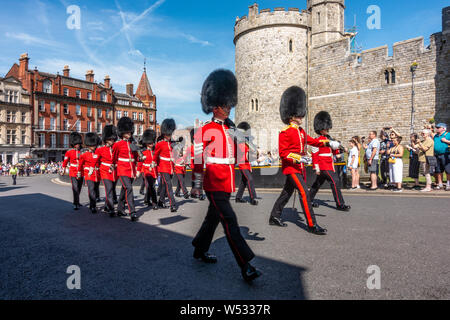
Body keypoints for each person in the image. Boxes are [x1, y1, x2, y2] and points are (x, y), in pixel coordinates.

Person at [191, 69, 261, 282]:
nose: (229, 108)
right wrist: (197, 184)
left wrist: (250, 149)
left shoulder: (230, 129)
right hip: (213, 181)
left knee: (213, 218)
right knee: (230, 220)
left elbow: (238, 152)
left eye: (230, 104)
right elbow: (197, 159)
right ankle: (245, 264)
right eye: (225, 105)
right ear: (215, 107)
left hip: (227, 180)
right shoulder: (205, 130)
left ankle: (199, 248)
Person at [269, 86, 333, 234]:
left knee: (286, 193)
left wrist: (329, 142)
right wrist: (300, 158)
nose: (301, 117)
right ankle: (312, 225)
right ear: (291, 115)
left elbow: (314, 142)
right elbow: (284, 153)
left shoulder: (301, 132)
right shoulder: (285, 132)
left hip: (299, 168)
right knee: (304, 192)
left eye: (301, 114)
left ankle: (274, 216)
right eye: (299, 115)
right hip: (291, 168)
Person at [309, 111, 350, 212]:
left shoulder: (329, 139)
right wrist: (316, 168)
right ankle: (340, 204)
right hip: (323, 165)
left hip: (329, 164)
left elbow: (334, 150)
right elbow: (314, 155)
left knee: (317, 184)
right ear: (320, 129)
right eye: (325, 128)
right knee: (335, 181)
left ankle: (308, 200)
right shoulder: (317, 140)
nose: (327, 129)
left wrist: (341, 150)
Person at [113, 117, 140, 222]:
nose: (129, 132)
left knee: (124, 189)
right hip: (122, 170)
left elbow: (137, 158)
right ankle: (132, 212)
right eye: (127, 131)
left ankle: (120, 209)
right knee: (129, 188)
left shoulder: (132, 144)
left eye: (130, 130)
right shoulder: (117, 144)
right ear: (122, 132)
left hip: (131, 170)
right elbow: (114, 158)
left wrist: (138, 169)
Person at [154, 119, 178, 213]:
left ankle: (161, 201)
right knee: (169, 185)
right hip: (163, 167)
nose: (169, 136)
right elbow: (156, 155)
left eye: (170, 134)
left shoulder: (173, 143)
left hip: (171, 166)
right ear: (164, 133)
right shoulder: (160, 144)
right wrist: (154, 164)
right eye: (168, 134)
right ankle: (173, 204)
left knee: (164, 185)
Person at [95, 125, 119, 217]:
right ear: (106, 139)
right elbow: (96, 161)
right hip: (105, 171)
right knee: (108, 189)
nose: (111, 141)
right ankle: (111, 209)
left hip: (114, 172)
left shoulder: (116, 148)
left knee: (112, 190)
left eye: (112, 139)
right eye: (109, 139)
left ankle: (106, 205)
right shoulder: (100, 149)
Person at [235, 121, 258, 205]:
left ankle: (238, 197)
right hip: (242, 164)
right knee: (250, 179)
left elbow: (251, 153)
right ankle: (253, 198)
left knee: (244, 181)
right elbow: (243, 155)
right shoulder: (239, 144)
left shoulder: (247, 143)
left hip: (247, 164)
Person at [77, 133, 101, 214]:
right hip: (89, 174)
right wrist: (79, 172)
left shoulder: (98, 153)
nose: (93, 146)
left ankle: (92, 204)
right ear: (88, 145)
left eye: (94, 145)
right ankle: (93, 206)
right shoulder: (84, 155)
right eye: (92, 145)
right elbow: (80, 165)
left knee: (95, 189)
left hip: (97, 173)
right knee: (91, 189)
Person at [61, 132, 84, 210]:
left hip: (81, 171)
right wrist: (63, 169)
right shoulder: (69, 152)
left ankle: (77, 201)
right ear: (74, 144)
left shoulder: (82, 152)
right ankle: (75, 203)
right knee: (75, 188)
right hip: (73, 171)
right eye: (76, 144)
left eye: (79, 144)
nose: (78, 145)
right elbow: (65, 162)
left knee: (80, 187)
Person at [138, 129, 159, 210]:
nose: (152, 144)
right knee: (152, 187)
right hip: (146, 171)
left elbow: (157, 160)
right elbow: (140, 163)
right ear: (146, 143)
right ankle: (154, 202)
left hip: (154, 170)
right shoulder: (143, 151)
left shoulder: (154, 151)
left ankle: (146, 200)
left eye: (152, 142)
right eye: (150, 143)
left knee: (150, 187)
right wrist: (138, 171)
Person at [189, 128, 206, 201]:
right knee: (195, 179)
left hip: (200, 164)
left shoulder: (201, 146)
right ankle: (194, 193)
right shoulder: (192, 147)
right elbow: (190, 156)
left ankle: (200, 194)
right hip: (194, 165)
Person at [433, 123, 450, 190]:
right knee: (438, 170)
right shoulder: (436, 136)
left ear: (443, 128)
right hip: (437, 155)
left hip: (446, 154)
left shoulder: (448, 134)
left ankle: (448, 184)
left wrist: (446, 141)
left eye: (438, 127)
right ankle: (440, 184)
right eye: (436, 127)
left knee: (448, 170)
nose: (436, 128)